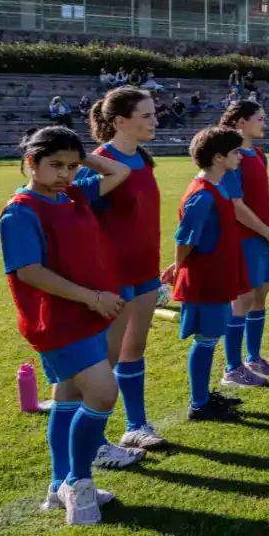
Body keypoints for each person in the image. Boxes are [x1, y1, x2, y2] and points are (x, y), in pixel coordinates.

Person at [0, 126, 134, 525]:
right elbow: (29, 272)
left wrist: (80, 156)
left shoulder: (71, 194)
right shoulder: (20, 211)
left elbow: (118, 173)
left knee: (69, 397)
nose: (65, 173)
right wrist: (94, 298)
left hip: (87, 315)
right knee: (104, 392)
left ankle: (60, 484)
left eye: (72, 166)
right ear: (30, 163)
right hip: (56, 321)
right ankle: (78, 482)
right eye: (55, 165)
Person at [83, 88, 163, 463]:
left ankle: (136, 426)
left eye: (153, 114)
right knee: (107, 358)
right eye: (145, 115)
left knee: (135, 350)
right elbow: (80, 219)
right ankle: (94, 443)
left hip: (145, 269)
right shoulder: (101, 161)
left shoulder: (143, 159)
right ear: (119, 122)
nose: (154, 120)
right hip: (113, 275)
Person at [165, 127, 252, 422]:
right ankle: (199, 404)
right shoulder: (202, 194)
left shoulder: (218, 186)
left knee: (210, 337)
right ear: (218, 157)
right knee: (205, 339)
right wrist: (178, 268)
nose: (240, 157)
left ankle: (203, 396)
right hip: (206, 278)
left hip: (217, 273)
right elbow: (185, 238)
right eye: (235, 152)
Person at [218, 100, 269, 379]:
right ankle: (232, 367)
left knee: (261, 295)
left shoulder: (258, 153)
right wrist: (266, 231)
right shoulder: (230, 157)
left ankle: (254, 358)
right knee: (243, 299)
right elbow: (236, 206)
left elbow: (266, 194)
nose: (264, 123)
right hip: (244, 238)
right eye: (259, 119)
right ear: (240, 123)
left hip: (265, 237)